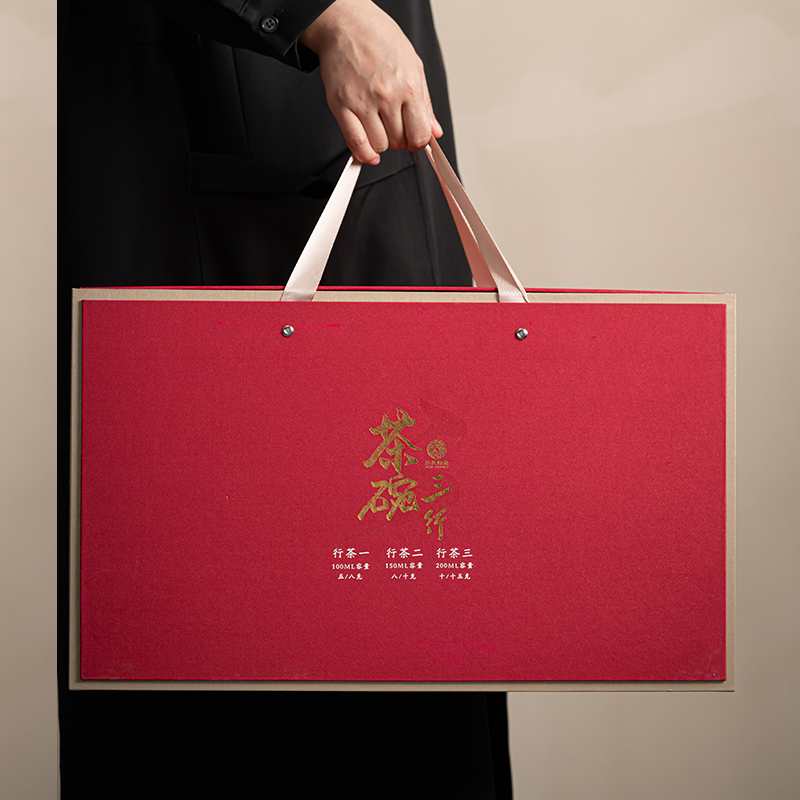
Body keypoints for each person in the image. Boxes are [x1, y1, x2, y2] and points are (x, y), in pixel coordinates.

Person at [59, 1, 512, 797]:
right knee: (223, 658)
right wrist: (324, 13)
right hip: (234, 122)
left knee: (403, 630)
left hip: (342, 133)